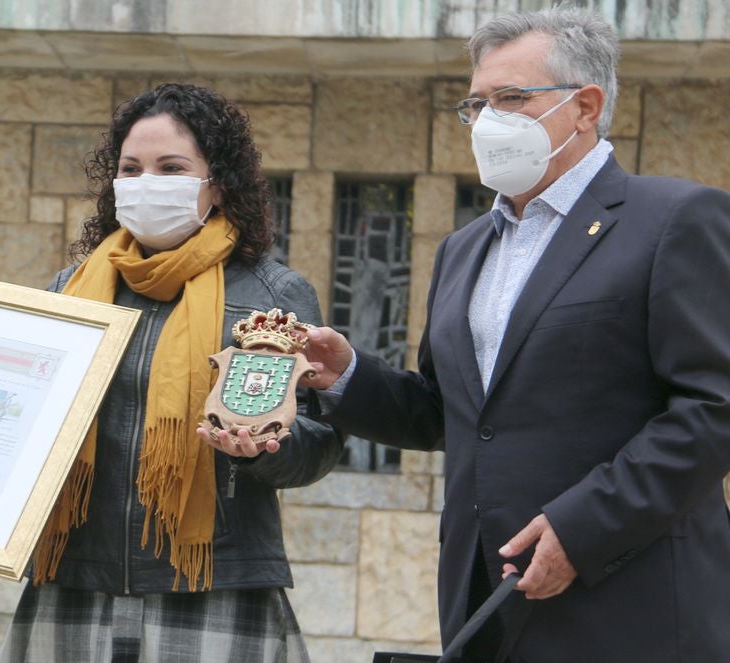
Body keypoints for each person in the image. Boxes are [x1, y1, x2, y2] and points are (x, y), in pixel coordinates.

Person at [302, 7, 730, 662]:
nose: (487, 121)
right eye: (476, 104)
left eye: (511, 98)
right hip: (487, 605)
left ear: (585, 106)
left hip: (629, 608)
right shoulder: (463, 249)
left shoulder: (674, 219)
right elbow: (460, 414)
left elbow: (711, 409)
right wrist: (351, 378)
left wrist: (581, 530)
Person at [0, 83, 342, 662]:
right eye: (132, 168)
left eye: (171, 168)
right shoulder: (69, 293)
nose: (148, 182)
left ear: (217, 185)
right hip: (74, 581)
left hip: (212, 586)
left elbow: (318, 446)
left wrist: (263, 448)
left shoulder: (273, 297)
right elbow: (9, 437)